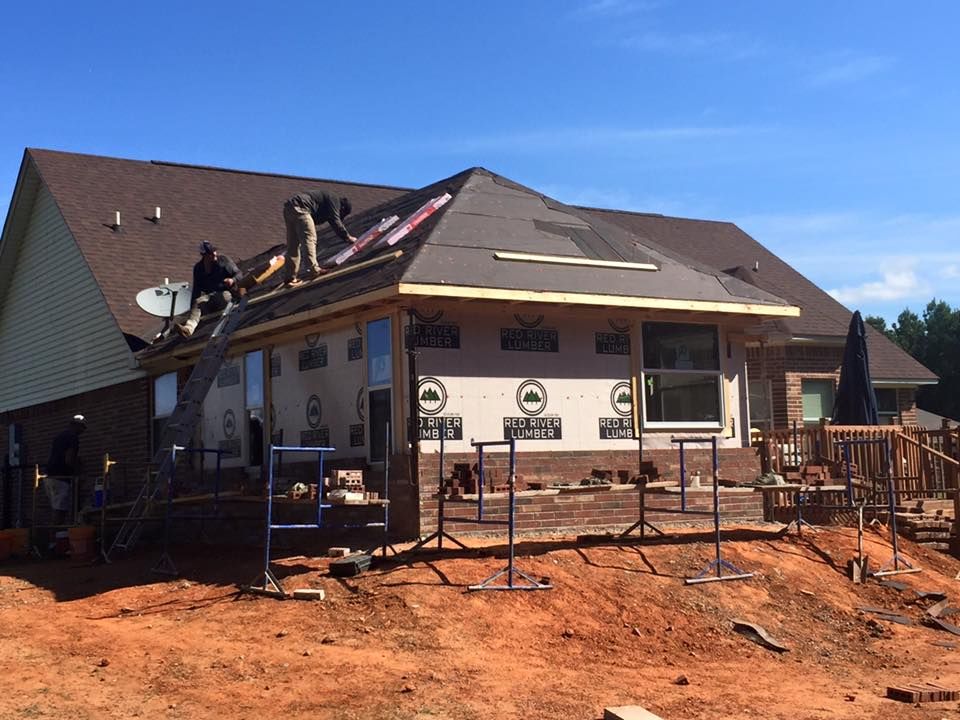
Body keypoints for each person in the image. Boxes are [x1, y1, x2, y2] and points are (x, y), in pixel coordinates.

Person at [282, 190, 357, 286]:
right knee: (309, 238)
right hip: (301, 208)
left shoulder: (325, 204)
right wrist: (348, 237)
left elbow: (331, 220)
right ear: (342, 208)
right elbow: (335, 220)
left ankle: (290, 277)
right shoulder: (334, 200)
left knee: (293, 245)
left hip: (289, 208)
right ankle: (314, 270)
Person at [175, 241, 241, 337]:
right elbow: (196, 292)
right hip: (210, 297)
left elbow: (239, 274)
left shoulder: (223, 261)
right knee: (198, 302)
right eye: (210, 253)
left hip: (226, 293)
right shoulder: (198, 269)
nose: (214, 254)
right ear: (204, 256)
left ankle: (229, 321)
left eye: (214, 251)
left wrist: (232, 280)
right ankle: (188, 329)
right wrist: (192, 308)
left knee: (224, 296)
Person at [45, 414, 86, 526]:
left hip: (50, 476)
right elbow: (69, 459)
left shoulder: (60, 436)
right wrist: (78, 472)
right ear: (77, 426)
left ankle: (56, 538)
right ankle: (54, 540)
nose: (83, 431)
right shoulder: (73, 437)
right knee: (60, 511)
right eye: (82, 428)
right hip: (61, 478)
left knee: (57, 508)